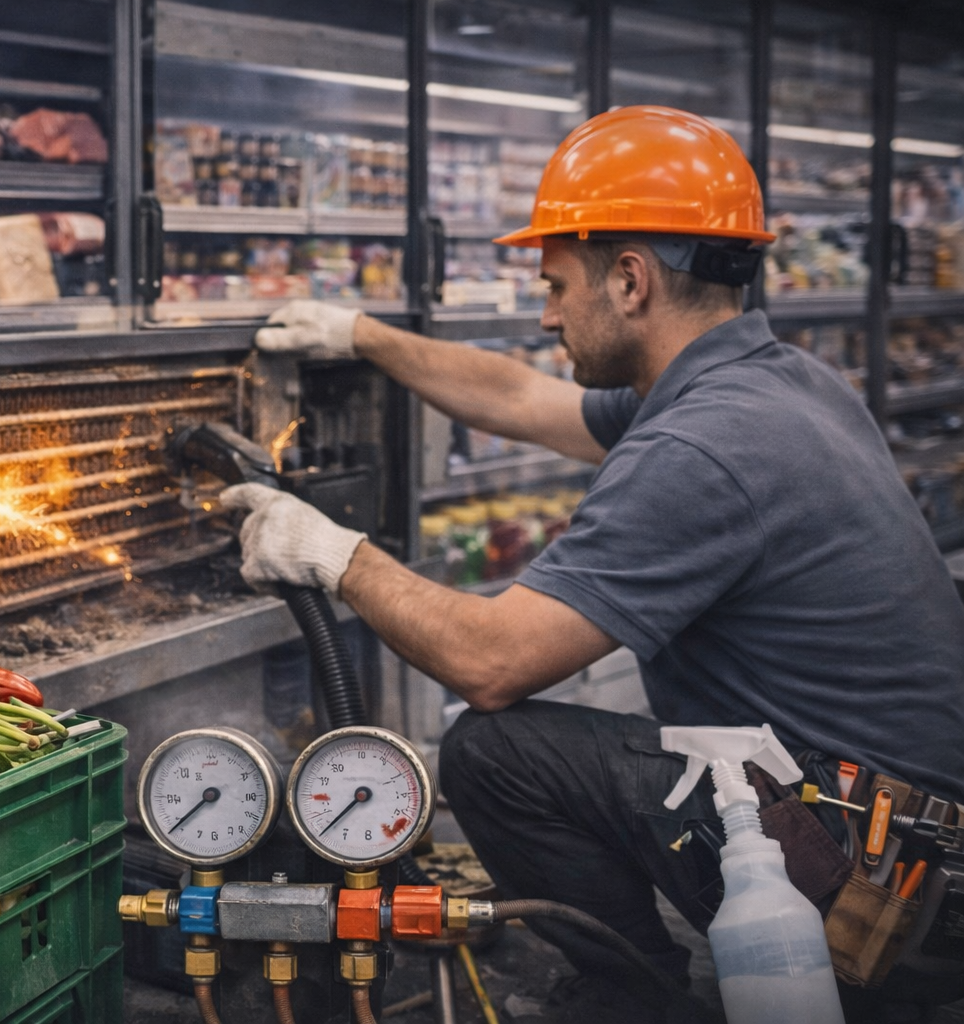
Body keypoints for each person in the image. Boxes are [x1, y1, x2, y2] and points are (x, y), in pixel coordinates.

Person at [221, 106, 964, 1018]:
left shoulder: (704, 446)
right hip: (920, 846)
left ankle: (631, 1000)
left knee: (495, 751)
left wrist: (327, 551)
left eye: (556, 284)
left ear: (629, 280)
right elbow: (527, 399)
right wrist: (362, 336)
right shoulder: (780, 379)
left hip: (873, 886)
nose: (545, 314)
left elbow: (492, 662)